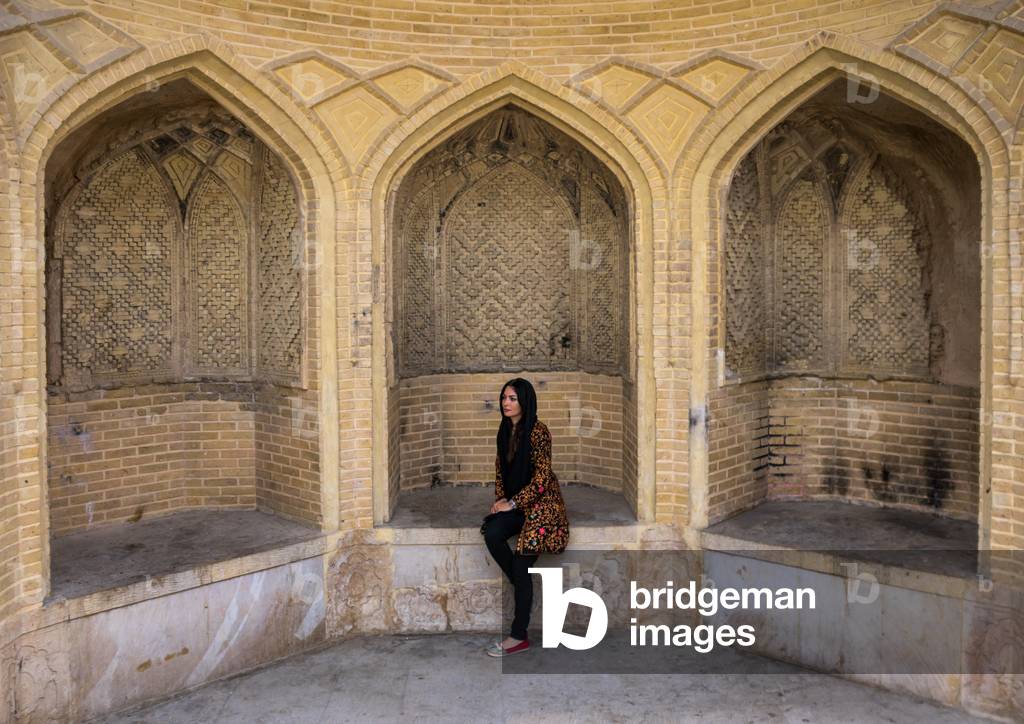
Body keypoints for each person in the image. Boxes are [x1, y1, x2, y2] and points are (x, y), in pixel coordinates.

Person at [481, 377, 569, 657]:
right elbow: (500, 469)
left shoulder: (538, 431)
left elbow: (543, 477)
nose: (506, 403)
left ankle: (518, 636)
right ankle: (522, 584)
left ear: (525, 401)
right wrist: (500, 500)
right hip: (517, 505)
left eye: (512, 399)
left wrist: (515, 501)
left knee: (521, 567)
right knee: (492, 532)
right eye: (504, 398)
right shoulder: (505, 430)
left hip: (542, 506)